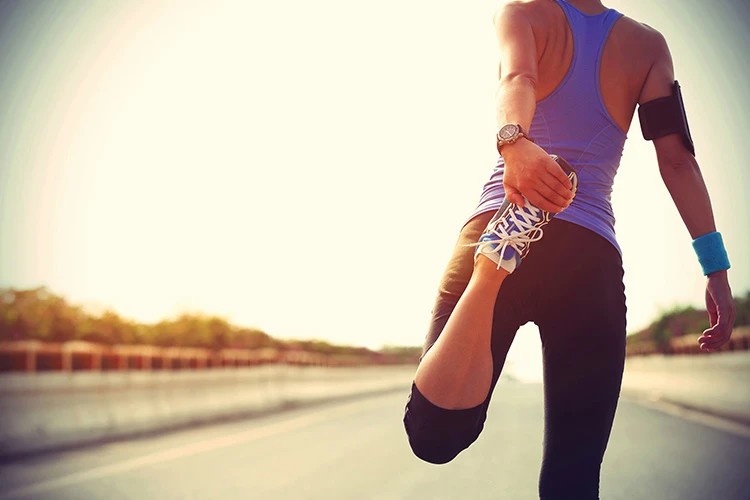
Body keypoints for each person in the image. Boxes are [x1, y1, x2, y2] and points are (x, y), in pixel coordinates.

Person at [402, 0, 737, 498]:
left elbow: (516, 78)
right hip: (589, 258)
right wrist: (715, 269)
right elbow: (677, 160)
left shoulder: (522, 12)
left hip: (507, 217)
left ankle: (490, 273)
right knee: (572, 476)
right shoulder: (648, 46)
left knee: (434, 435)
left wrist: (514, 145)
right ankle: (491, 270)